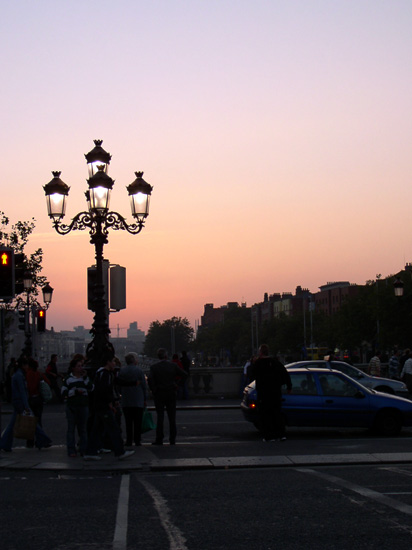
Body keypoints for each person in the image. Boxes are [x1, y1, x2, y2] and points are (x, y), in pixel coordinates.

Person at [83, 351, 135, 461]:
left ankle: (90, 451)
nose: (114, 364)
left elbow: (114, 384)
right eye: (113, 362)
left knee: (97, 430)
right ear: (108, 362)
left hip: (100, 405)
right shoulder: (105, 374)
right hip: (104, 406)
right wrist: (110, 403)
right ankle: (120, 451)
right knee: (114, 429)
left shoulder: (102, 373)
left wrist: (132, 383)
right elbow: (104, 390)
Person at [0, 356, 52, 452]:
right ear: (23, 365)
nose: (28, 366)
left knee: (13, 424)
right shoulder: (20, 376)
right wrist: (26, 406)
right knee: (32, 422)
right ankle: (43, 440)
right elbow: (23, 392)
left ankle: (5, 443)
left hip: (17, 402)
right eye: (26, 365)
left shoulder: (17, 375)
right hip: (21, 403)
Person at [249, 344, 292, 442]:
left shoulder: (258, 364)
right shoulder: (275, 362)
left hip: (264, 393)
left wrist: (254, 363)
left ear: (260, 353)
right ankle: (281, 434)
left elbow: (251, 375)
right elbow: (285, 374)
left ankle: (269, 435)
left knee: (265, 415)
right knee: (277, 414)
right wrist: (289, 387)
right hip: (276, 392)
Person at [148, 348, 188, 445]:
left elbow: (150, 379)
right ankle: (172, 438)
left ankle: (159, 438)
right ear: (166, 356)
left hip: (159, 394)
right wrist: (176, 383)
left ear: (158, 356)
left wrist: (154, 389)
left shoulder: (154, 367)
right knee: (172, 417)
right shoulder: (173, 366)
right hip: (170, 392)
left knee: (160, 417)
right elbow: (185, 374)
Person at [61, 356, 93, 457]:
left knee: (83, 429)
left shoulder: (85, 378)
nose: (81, 368)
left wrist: (85, 378)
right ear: (73, 368)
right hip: (72, 406)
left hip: (83, 406)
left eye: (81, 366)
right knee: (71, 429)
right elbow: (63, 392)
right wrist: (74, 392)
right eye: (79, 366)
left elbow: (91, 388)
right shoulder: (68, 379)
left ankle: (83, 449)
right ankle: (71, 450)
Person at [118, 352, 147, 447]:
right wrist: (145, 398)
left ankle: (129, 440)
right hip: (138, 399)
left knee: (128, 422)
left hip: (126, 400)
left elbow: (119, 385)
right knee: (137, 422)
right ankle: (137, 440)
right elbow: (144, 386)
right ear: (134, 361)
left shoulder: (122, 371)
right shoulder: (139, 370)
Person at [26, 358, 50, 448]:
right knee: (38, 420)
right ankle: (40, 441)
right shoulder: (39, 374)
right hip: (38, 399)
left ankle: (30, 441)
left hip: (30, 399)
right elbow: (48, 382)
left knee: (30, 421)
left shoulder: (27, 374)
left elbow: (29, 387)